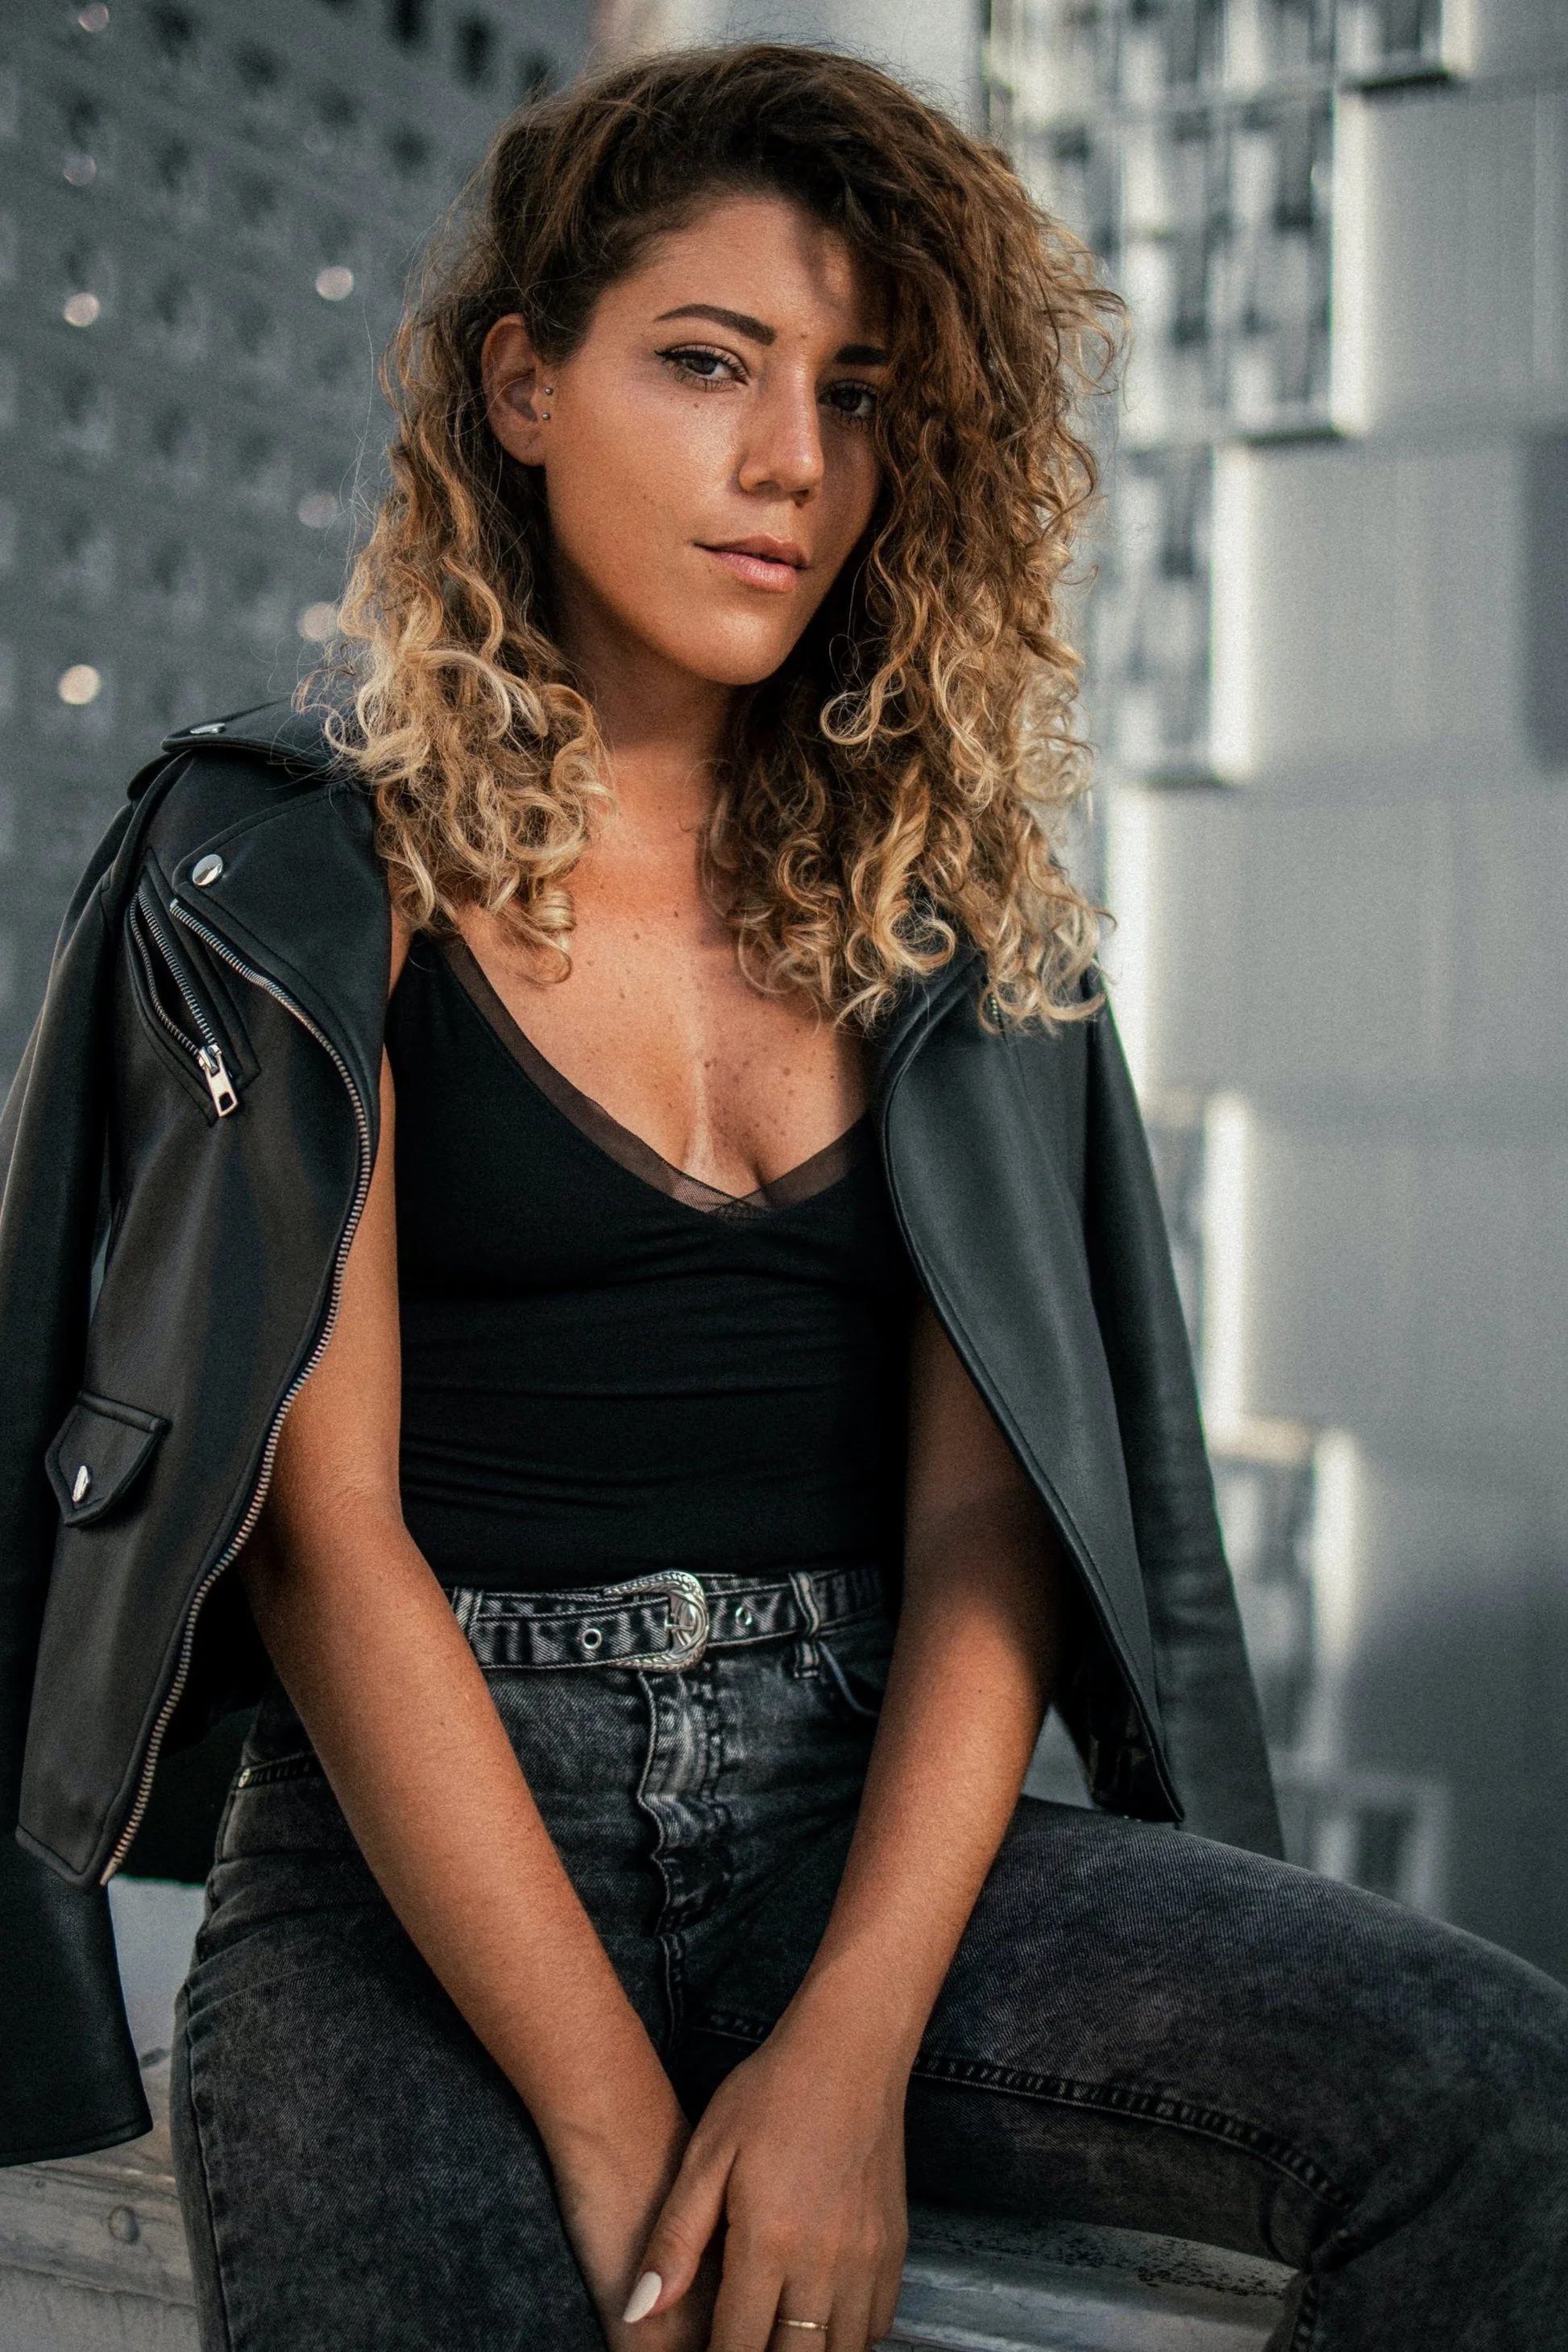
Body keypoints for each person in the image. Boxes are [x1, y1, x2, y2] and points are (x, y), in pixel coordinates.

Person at [2, 43, 1565, 2352]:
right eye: (707, 363)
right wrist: (619, 2118)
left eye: (854, 394)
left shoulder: (953, 911)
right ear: (521, 387)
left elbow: (978, 1538)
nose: (790, 465)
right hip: (416, 1877)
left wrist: (838, 2065)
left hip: (866, 1830)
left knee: (1509, 2102)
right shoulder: (308, 878)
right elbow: (329, 1547)